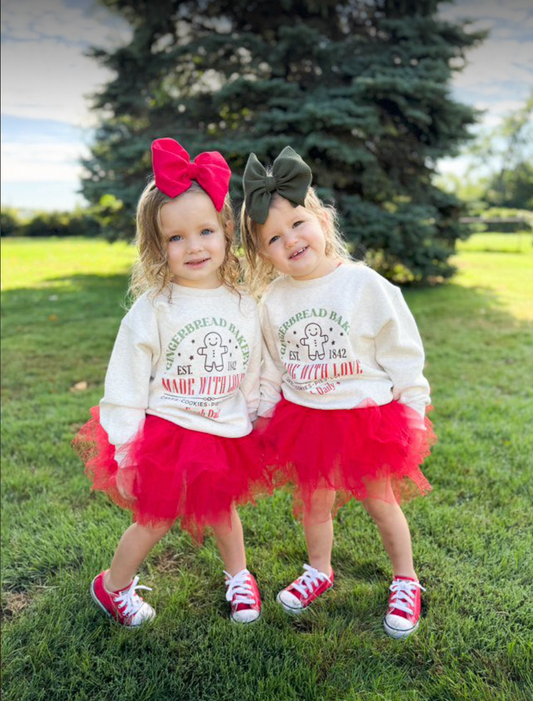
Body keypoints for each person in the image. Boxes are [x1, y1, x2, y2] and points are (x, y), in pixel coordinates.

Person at [240, 146, 437, 639]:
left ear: (322, 220)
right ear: (264, 254)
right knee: (314, 503)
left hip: (364, 417)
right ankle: (319, 570)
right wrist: (263, 411)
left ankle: (406, 579)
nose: (291, 240)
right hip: (308, 418)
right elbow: (271, 366)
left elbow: (402, 350)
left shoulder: (363, 285)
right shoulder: (274, 300)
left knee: (380, 500)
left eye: (298, 223)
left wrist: (413, 405)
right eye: (274, 238)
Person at [73, 138, 270, 627]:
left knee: (223, 509)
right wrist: (125, 451)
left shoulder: (245, 304)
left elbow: (252, 367)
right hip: (168, 431)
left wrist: (253, 416)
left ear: (227, 231)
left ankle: (239, 576)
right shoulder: (154, 309)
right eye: (176, 237)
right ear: (158, 246)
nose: (194, 246)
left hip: (225, 430)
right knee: (155, 518)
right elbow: (125, 383)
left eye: (205, 230)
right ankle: (112, 586)